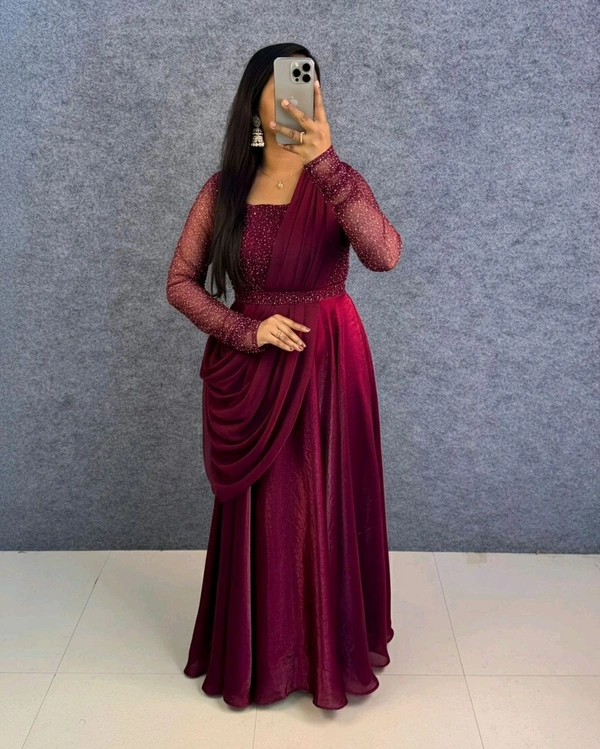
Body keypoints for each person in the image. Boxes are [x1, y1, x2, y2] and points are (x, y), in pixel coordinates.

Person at [166, 42, 402, 711]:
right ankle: (266, 655)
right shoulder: (223, 191)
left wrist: (326, 164)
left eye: (309, 87)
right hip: (256, 370)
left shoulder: (339, 182)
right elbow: (179, 283)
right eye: (286, 88)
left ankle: (326, 651)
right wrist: (245, 330)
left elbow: (385, 254)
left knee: (323, 501)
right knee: (271, 511)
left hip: (331, 365)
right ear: (255, 103)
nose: (301, 99)